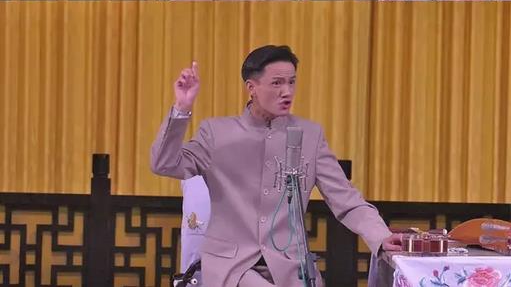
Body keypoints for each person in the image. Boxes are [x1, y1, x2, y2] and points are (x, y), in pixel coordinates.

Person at [151, 45, 401, 286]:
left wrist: (381, 236)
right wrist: (182, 108)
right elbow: (164, 163)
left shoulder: (310, 135)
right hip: (231, 268)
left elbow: (345, 199)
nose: (287, 91)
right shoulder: (216, 133)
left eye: (292, 82)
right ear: (252, 88)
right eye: (277, 83)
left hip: (291, 267)